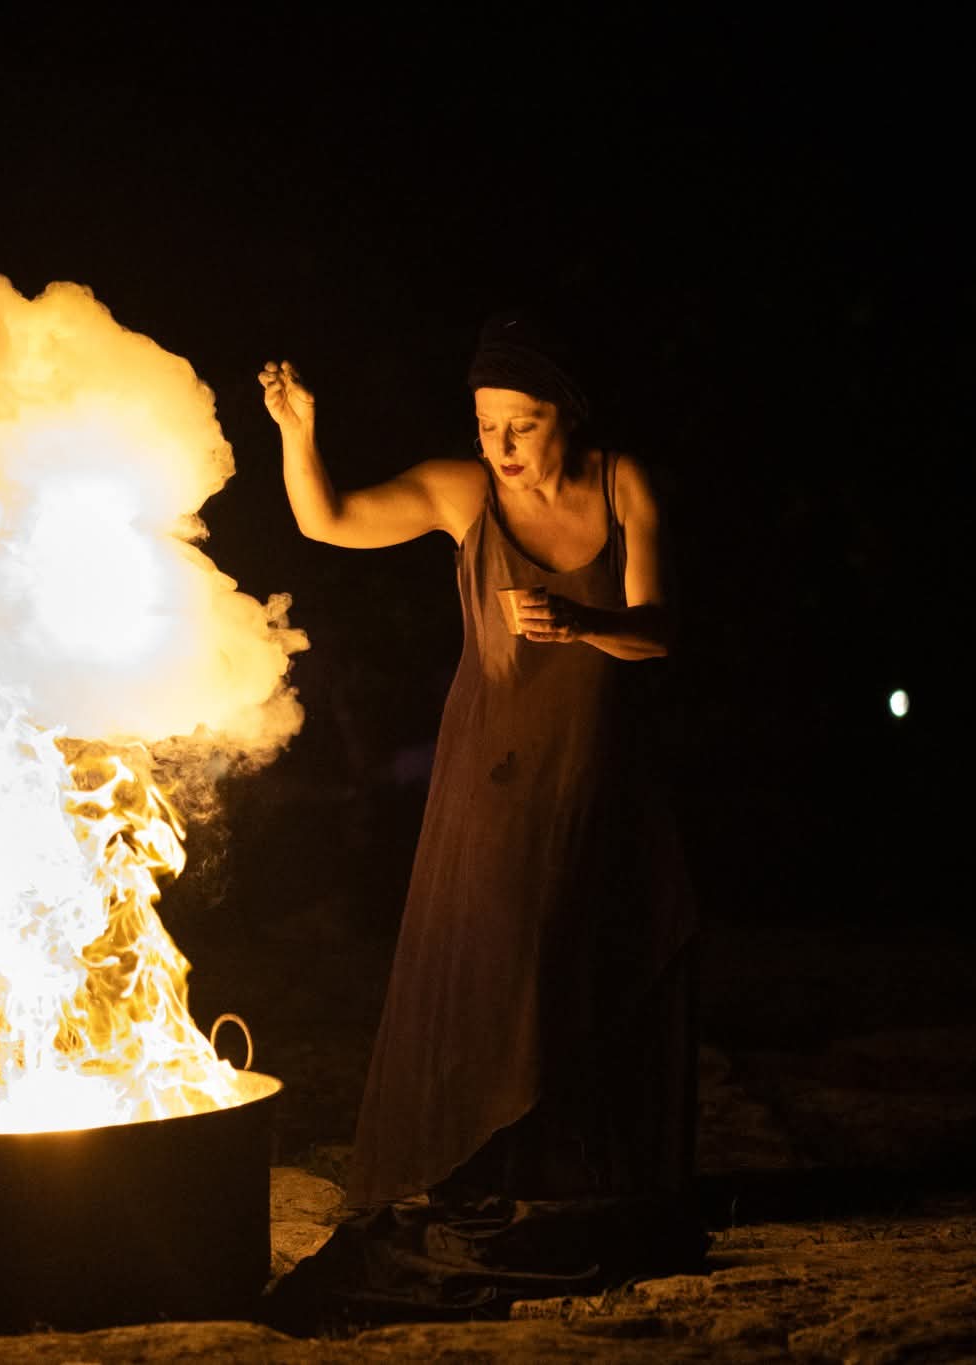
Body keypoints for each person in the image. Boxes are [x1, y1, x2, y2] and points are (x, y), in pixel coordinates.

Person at [258, 313, 700, 1311]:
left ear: (567, 419)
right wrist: (297, 431)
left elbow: (660, 630)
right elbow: (325, 519)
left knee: (585, 952)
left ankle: (586, 1176)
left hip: (597, 768)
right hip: (489, 773)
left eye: (520, 425)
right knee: (495, 958)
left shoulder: (622, 483)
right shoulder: (461, 496)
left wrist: (584, 623)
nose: (498, 447)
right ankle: (488, 1165)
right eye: (484, 426)